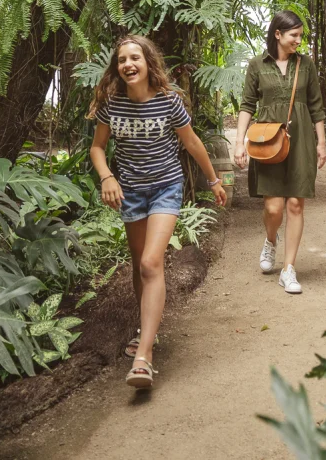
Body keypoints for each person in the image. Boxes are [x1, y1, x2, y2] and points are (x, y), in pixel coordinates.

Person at [89, 35, 226, 389]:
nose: (128, 64)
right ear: (117, 68)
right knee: (139, 265)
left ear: (149, 63)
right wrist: (107, 176)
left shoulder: (168, 101)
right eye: (122, 60)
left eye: (135, 57)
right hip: (131, 193)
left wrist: (213, 181)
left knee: (151, 263)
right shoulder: (112, 104)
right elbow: (98, 148)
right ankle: (143, 328)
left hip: (166, 187)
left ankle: (144, 356)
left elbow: (191, 142)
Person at [234, 11, 326, 294]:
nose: (299, 40)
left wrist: (321, 142)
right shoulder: (256, 65)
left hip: (300, 140)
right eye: (293, 35)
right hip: (269, 139)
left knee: (296, 204)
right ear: (278, 34)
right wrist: (239, 143)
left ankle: (289, 269)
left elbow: (316, 106)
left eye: (300, 35)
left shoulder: (306, 65)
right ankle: (271, 240)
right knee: (273, 207)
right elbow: (247, 105)